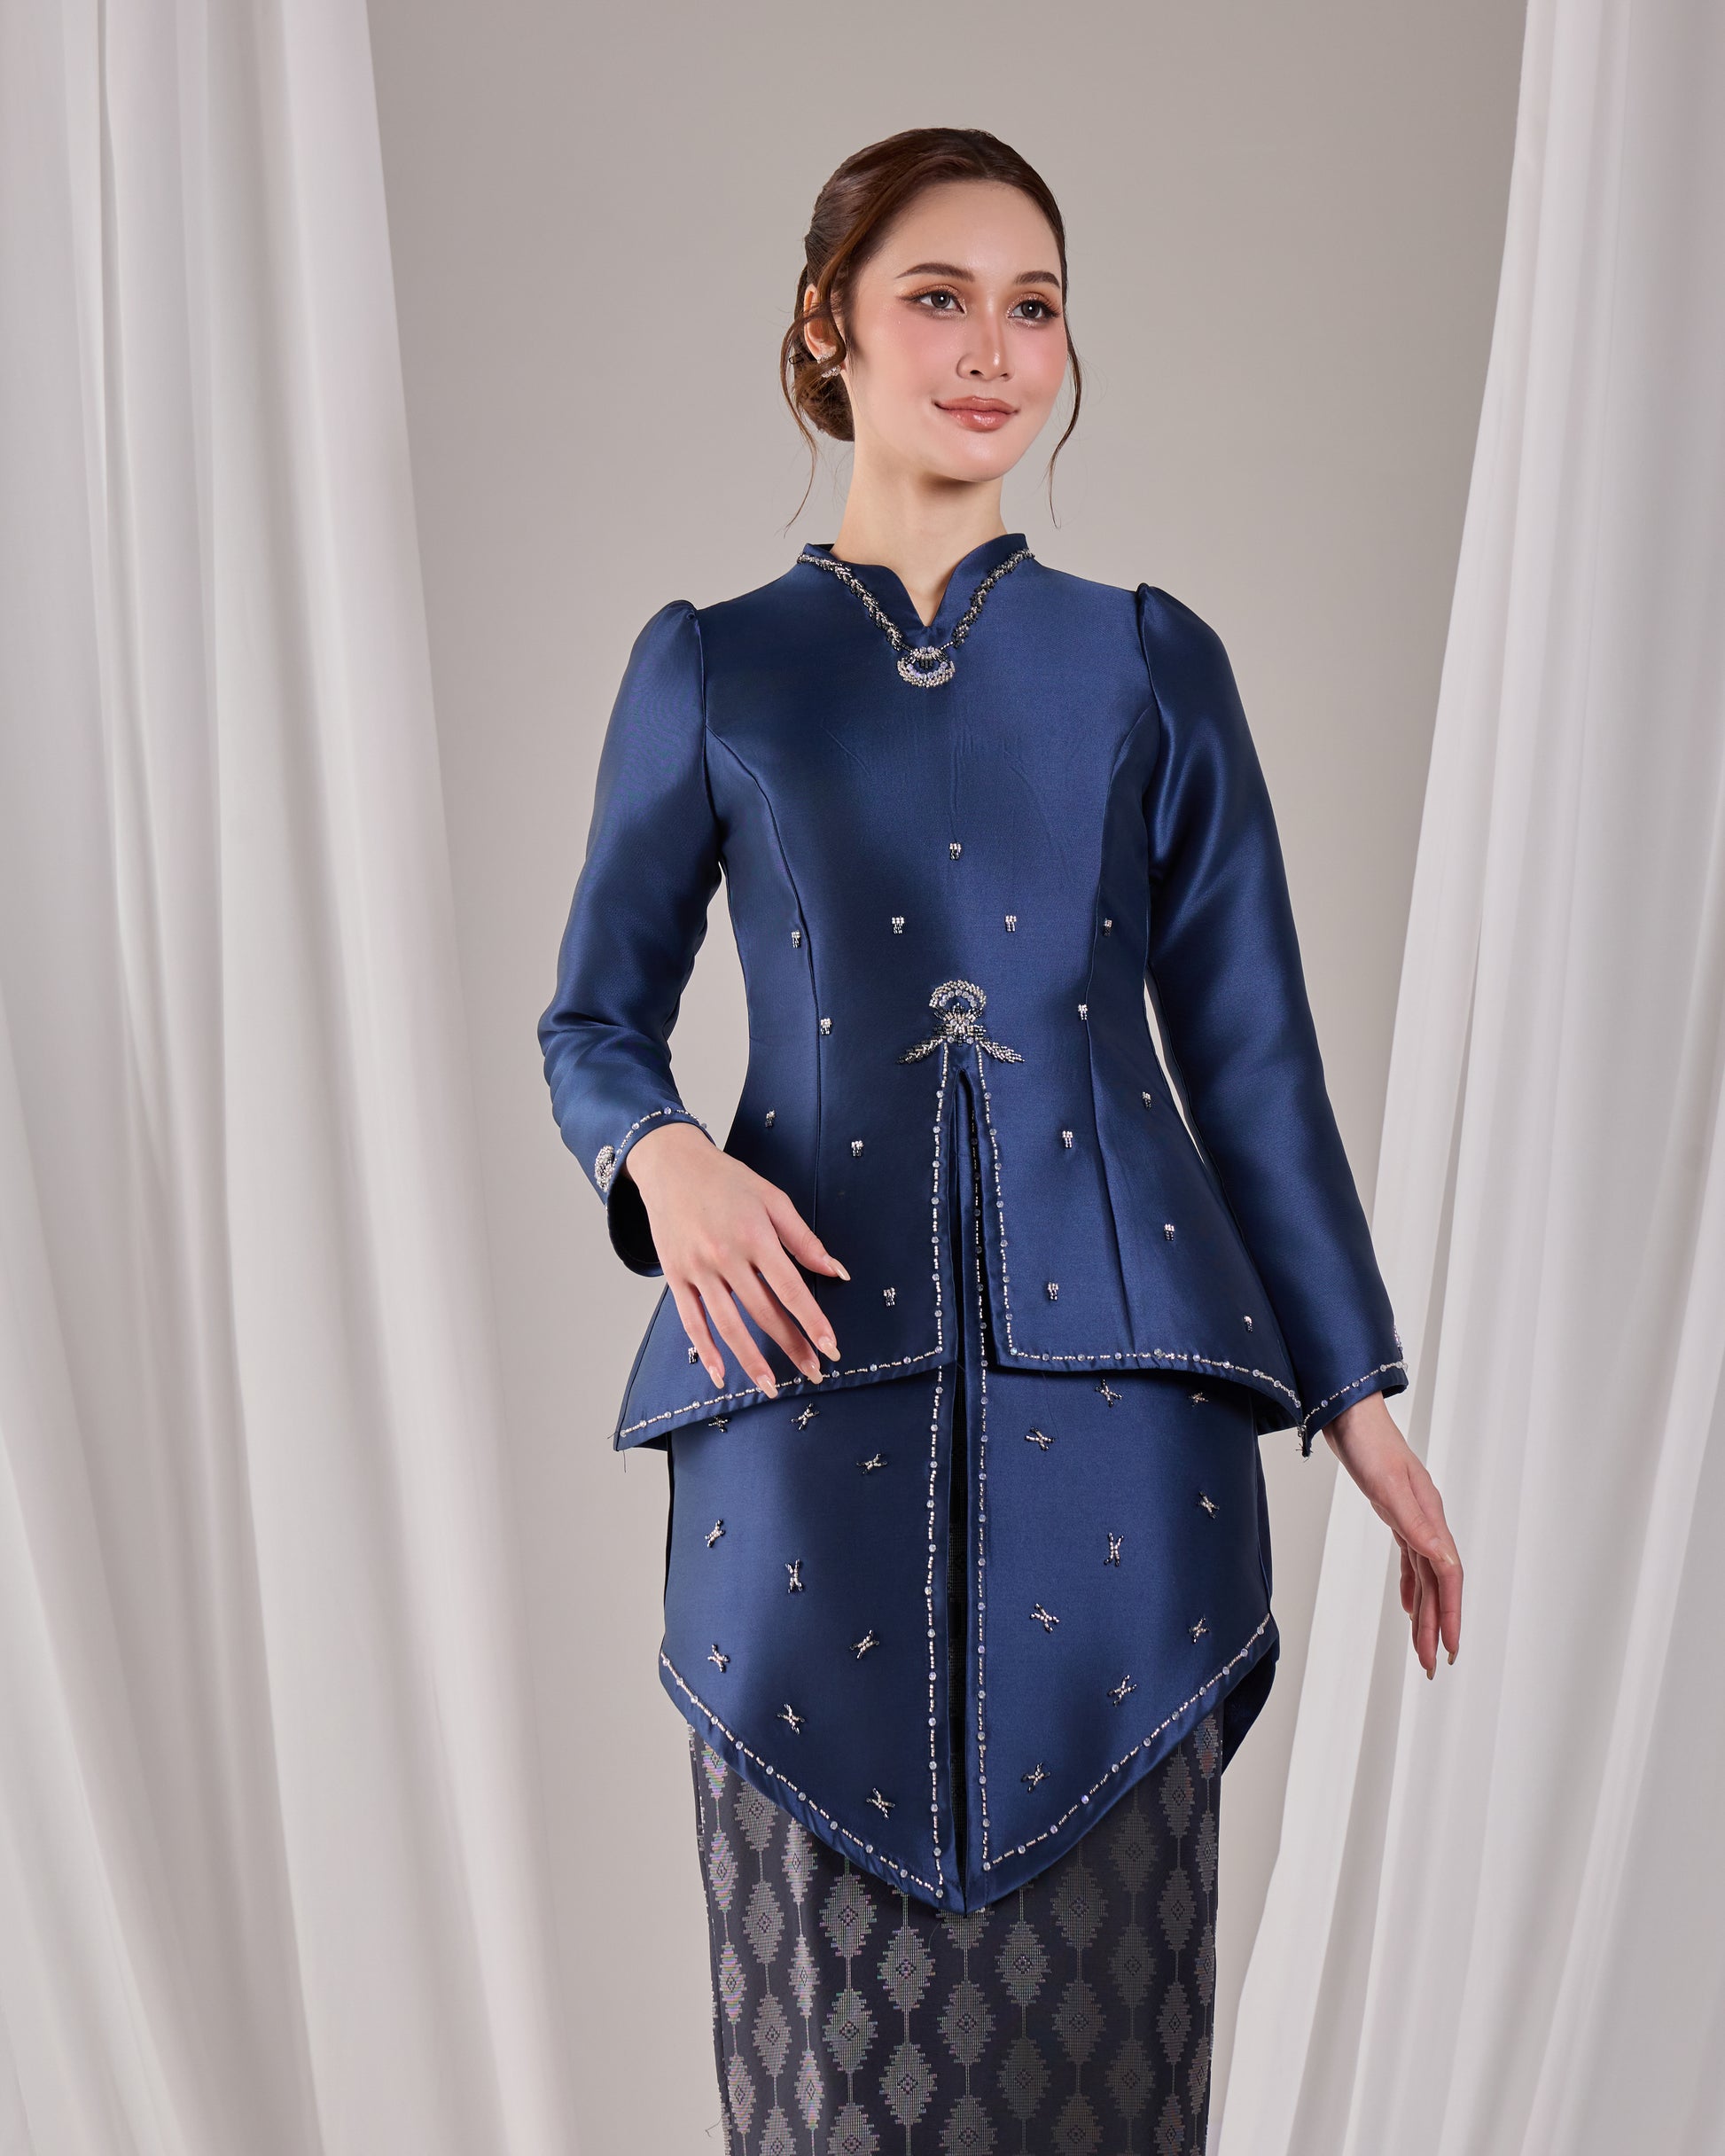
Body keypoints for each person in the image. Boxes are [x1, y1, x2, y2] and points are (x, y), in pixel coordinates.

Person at [537, 123, 1463, 2155]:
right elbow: (592, 1019)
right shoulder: (710, 664)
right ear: (827, 327)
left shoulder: (1150, 662)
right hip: (795, 1408)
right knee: (823, 2072)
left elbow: (1253, 1062)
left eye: (1030, 306)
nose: (990, 349)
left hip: (1127, 1437)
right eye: (936, 298)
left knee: (1106, 2058)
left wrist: (1357, 1400)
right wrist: (660, 1157)